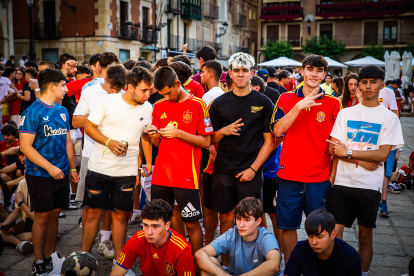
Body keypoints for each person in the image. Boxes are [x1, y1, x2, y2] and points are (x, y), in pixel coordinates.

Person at [327, 65, 404, 276]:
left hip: (369, 186)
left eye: (373, 81)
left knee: (365, 237)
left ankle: (363, 273)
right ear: (358, 85)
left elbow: (381, 155)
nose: (368, 86)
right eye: (364, 82)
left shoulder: (389, 118)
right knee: (334, 235)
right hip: (342, 183)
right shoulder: (346, 113)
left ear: (381, 84)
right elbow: (333, 148)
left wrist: (348, 152)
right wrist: (359, 160)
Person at [81, 66, 153, 276]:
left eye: (149, 90)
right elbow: (89, 126)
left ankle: (120, 266)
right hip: (99, 168)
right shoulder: (108, 101)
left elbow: (145, 136)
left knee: (121, 216)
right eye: (144, 90)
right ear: (130, 87)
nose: (148, 94)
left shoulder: (147, 107)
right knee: (93, 213)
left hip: (127, 171)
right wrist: (109, 142)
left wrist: (147, 161)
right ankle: (83, 260)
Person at [271, 54, 341, 264]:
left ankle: (316, 268)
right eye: (310, 69)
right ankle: (292, 268)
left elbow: (336, 144)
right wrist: (299, 106)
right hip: (288, 175)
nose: (314, 74)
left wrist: (333, 175)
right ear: (302, 71)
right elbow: (277, 131)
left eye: (319, 71)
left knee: (320, 230)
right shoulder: (285, 98)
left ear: (324, 74)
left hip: (319, 179)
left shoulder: (333, 104)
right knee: (287, 226)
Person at [208, 52, 275, 269]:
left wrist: (254, 169)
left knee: (250, 219)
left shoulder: (263, 102)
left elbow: (269, 141)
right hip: (224, 169)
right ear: (229, 74)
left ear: (252, 73)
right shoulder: (219, 103)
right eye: (236, 70)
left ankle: (253, 265)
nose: (240, 74)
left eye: (245, 70)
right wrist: (223, 131)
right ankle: (226, 266)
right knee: (226, 219)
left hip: (251, 171)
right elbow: (208, 139)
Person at [19, 68, 79, 275]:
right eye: (63, 85)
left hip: (61, 172)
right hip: (40, 174)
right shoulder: (31, 112)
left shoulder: (62, 111)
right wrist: (50, 167)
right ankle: (39, 262)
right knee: (42, 217)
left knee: (55, 215)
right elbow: (25, 147)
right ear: (52, 86)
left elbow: (68, 140)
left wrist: (72, 167)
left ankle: (51, 255)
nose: (66, 89)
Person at [148, 66, 213, 257]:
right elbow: (157, 143)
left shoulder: (198, 104)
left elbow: (206, 141)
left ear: (177, 83)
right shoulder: (158, 106)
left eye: (168, 93)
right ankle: (168, 261)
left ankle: (197, 263)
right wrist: (152, 134)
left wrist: (179, 133)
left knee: (192, 224)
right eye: (162, 94)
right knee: (159, 222)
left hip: (186, 175)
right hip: (161, 176)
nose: (166, 98)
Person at [73, 64, 128, 259]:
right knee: (91, 208)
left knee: (114, 208)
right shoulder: (91, 92)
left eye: (120, 88)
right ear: (105, 80)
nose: (116, 91)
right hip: (92, 155)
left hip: (119, 160)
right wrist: (102, 115)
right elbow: (76, 121)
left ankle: (105, 240)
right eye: (113, 87)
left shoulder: (126, 93)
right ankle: (84, 256)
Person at [195, 197, 281, 276]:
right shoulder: (232, 234)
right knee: (208, 264)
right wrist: (222, 274)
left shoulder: (266, 236)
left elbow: (274, 264)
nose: (241, 225)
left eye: (247, 220)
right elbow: (199, 254)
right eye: (239, 219)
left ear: (258, 221)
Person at [111, 199, 195, 276]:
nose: (149, 232)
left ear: (167, 225)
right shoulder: (138, 239)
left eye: (155, 226)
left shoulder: (182, 249)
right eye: (145, 225)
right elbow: (117, 271)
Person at [284, 209, 362, 276]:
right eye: (310, 236)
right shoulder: (300, 250)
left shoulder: (351, 257)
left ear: (333, 234)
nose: (314, 242)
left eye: (320, 237)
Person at [0, 178, 34, 255]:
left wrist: (21, 202)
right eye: (25, 168)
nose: (26, 171)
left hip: (39, 224)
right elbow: (16, 211)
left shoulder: (43, 184)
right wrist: (4, 226)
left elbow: (35, 218)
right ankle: (20, 243)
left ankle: (11, 239)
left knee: (34, 237)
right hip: (24, 223)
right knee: (1, 232)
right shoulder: (23, 183)